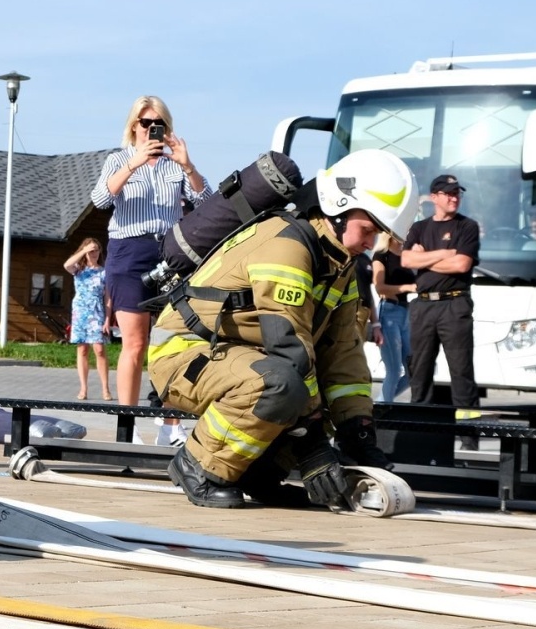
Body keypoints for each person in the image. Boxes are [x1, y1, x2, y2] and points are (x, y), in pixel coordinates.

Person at [146, 149, 415, 509]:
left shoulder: (340, 264)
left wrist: (358, 433)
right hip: (184, 352)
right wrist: (314, 448)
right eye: (367, 230)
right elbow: (288, 346)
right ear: (337, 209)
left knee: (310, 390)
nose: (370, 244)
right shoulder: (286, 246)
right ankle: (198, 466)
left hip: (242, 357)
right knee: (282, 385)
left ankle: (256, 474)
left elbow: (344, 354)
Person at [89, 97, 210, 415]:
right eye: (146, 123)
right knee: (135, 342)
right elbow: (100, 199)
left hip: (170, 251)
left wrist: (188, 165)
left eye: (160, 124)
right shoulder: (119, 159)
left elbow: (206, 200)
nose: (152, 129)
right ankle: (126, 423)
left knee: (174, 340)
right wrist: (134, 164)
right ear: (134, 126)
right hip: (129, 252)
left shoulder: (174, 165)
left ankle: (168, 423)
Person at [401, 173, 481, 448]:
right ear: (434, 197)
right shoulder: (420, 228)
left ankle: (469, 438)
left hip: (455, 304)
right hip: (423, 305)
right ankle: (419, 438)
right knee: (420, 373)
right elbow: (406, 258)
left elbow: (461, 266)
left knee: (461, 373)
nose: (454, 197)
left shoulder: (467, 227)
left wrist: (426, 259)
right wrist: (445, 253)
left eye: (457, 192)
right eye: (448, 193)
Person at [64, 237, 114, 402]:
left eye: (96, 250)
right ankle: (83, 388)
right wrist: (84, 250)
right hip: (80, 311)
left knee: (99, 349)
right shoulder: (78, 269)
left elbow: (108, 297)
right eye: (91, 251)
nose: (94, 253)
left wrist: (108, 319)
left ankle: (105, 388)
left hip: (97, 311)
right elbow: (67, 265)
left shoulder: (104, 272)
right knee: (82, 349)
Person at [371, 233, 415, 402]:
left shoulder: (406, 255)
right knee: (394, 370)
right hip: (389, 311)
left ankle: (381, 403)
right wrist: (407, 288)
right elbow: (379, 287)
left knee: (414, 370)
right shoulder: (382, 255)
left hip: (406, 313)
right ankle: (384, 408)